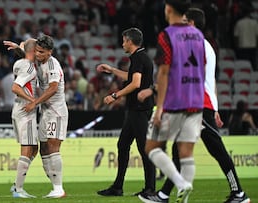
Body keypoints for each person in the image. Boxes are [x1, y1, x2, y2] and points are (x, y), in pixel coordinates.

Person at [138, 8, 251, 203]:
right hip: (202, 102)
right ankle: (164, 195)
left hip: (197, 103)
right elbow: (210, 80)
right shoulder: (205, 45)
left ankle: (239, 193)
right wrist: (214, 107)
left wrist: (153, 90)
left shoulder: (195, 44)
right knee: (180, 150)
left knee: (216, 149)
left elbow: (184, 76)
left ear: (190, 24)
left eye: (184, 21)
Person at [139, 1, 205, 202]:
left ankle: (180, 183)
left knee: (151, 147)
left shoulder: (167, 35)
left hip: (175, 101)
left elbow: (164, 71)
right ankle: (183, 197)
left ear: (168, 9)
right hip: (196, 101)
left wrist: (159, 108)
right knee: (186, 155)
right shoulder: (199, 35)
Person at [96, 27, 156, 197]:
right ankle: (118, 187)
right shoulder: (141, 57)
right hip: (136, 109)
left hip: (139, 109)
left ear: (130, 41)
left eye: (124, 41)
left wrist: (115, 95)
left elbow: (135, 83)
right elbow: (132, 77)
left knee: (143, 147)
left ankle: (150, 188)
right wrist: (113, 70)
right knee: (123, 145)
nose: (122, 44)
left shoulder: (137, 57)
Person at [24, 35, 68, 198]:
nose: (37, 54)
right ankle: (55, 185)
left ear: (50, 52)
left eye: (41, 52)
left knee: (52, 147)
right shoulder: (39, 60)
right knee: (43, 149)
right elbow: (27, 47)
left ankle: (59, 188)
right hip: (45, 111)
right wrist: (17, 48)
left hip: (56, 111)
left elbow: (53, 88)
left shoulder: (52, 65)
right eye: (36, 51)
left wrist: (34, 102)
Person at [9, 39, 39, 198]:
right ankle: (18, 189)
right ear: (34, 51)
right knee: (27, 149)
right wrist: (32, 100)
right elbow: (15, 87)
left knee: (34, 149)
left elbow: (26, 51)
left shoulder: (21, 63)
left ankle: (16, 184)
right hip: (25, 109)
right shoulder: (28, 67)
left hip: (19, 109)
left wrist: (19, 47)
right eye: (38, 49)